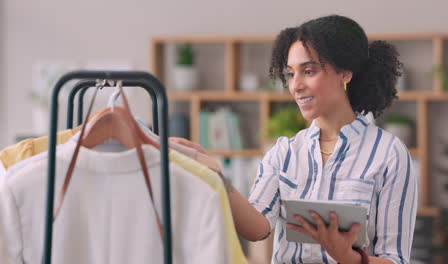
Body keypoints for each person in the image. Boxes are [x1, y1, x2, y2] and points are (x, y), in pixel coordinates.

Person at [171, 14, 417, 264]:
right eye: (290, 74)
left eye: (309, 71)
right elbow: (257, 227)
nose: (295, 86)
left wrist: (349, 258)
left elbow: (395, 259)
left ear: (345, 73)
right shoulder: (284, 152)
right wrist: (215, 175)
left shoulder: (388, 154)